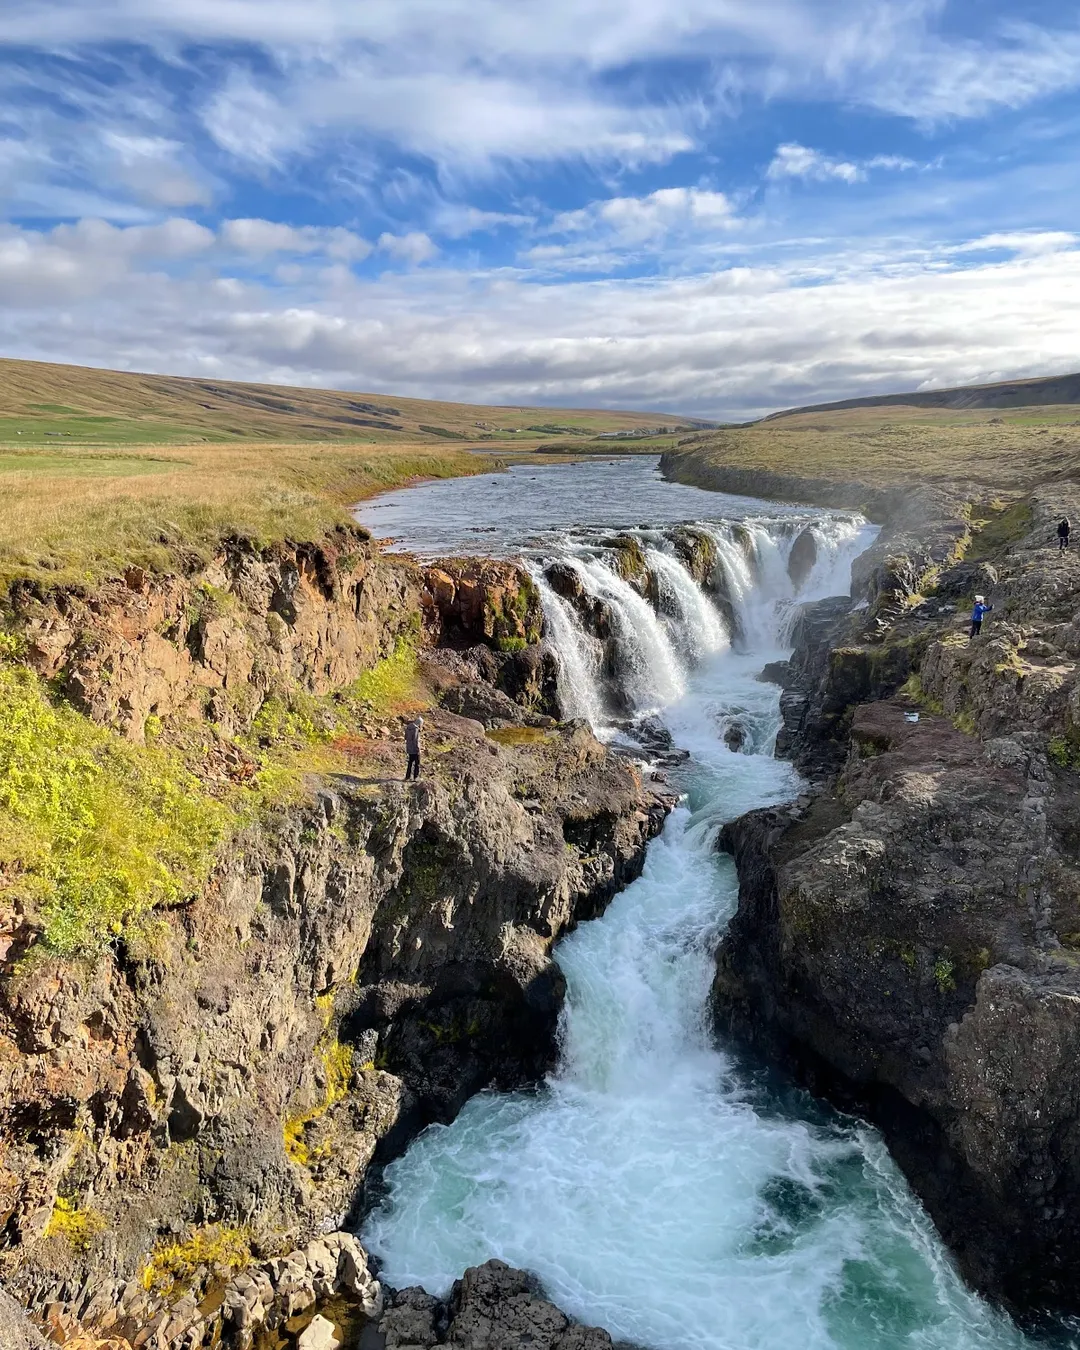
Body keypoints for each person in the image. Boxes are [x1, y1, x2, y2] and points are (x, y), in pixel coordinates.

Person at [404, 715, 423, 780]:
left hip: (409, 748)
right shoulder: (416, 729)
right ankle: (416, 777)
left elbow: (405, 737)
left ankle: (407, 777)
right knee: (417, 763)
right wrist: (418, 749)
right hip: (415, 749)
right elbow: (416, 740)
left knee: (410, 763)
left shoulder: (408, 728)